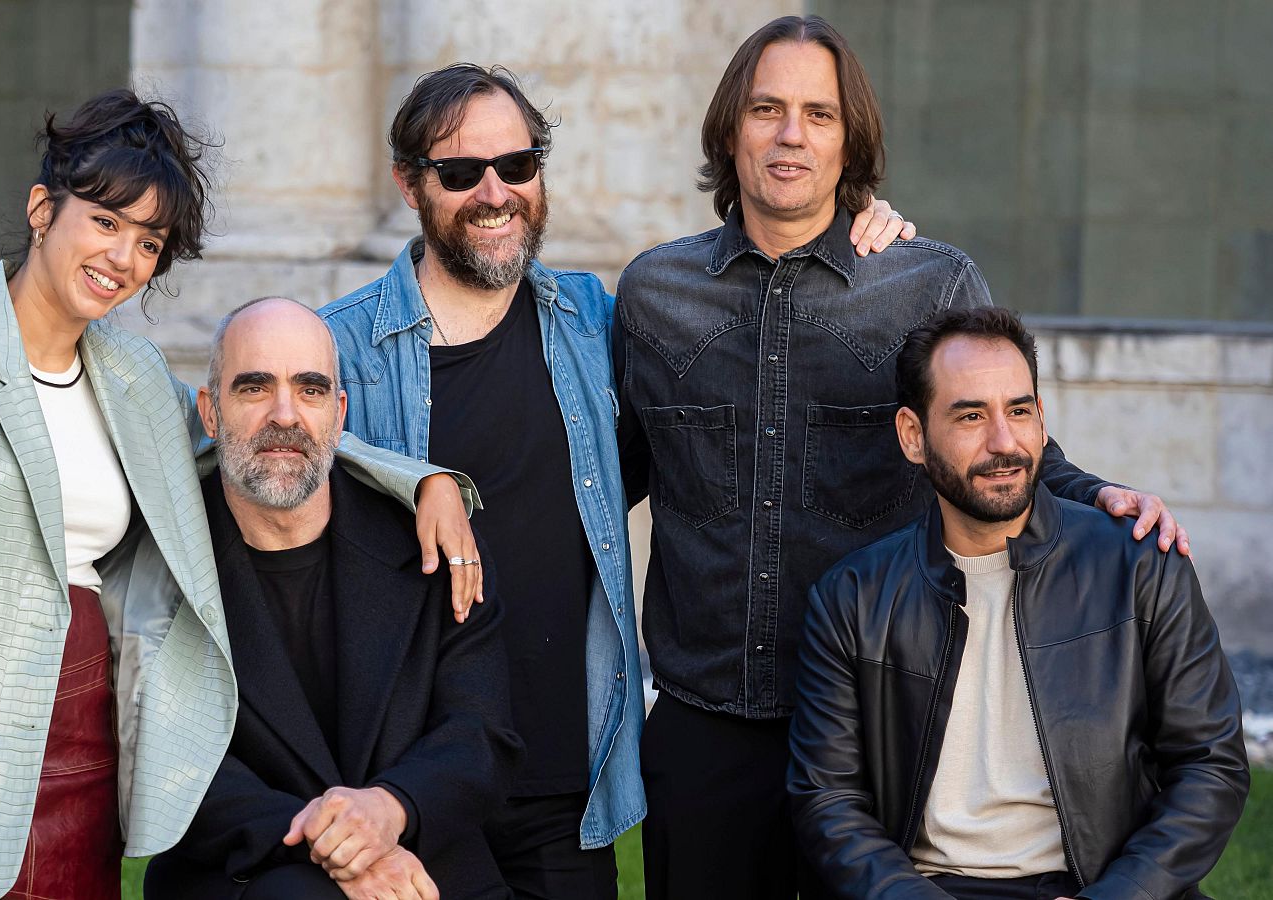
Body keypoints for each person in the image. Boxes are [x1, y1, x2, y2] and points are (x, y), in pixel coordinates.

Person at [0, 90, 478, 900]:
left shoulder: (133, 379)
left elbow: (261, 432)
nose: (122, 257)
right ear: (40, 209)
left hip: (86, 743)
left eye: (149, 241)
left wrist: (423, 480)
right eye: (104, 221)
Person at [612, 16, 1191, 900]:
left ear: (853, 141)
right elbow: (609, 475)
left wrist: (1108, 496)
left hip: (888, 723)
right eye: (767, 109)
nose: (791, 134)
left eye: (819, 113)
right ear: (731, 129)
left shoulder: (928, 284)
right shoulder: (654, 292)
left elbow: (1000, 439)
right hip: (708, 722)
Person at [320, 62, 911, 899]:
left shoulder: (603, 321)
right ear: (410, 187)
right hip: (410, 772)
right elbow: (255, 462)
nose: (495, 193)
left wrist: (852, 223)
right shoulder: (336, 348)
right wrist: (416, 478)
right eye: (460, 173)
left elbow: (748, 360)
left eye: (517, 166)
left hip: (567, 776)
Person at [789, 307, 1249, 899]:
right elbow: (828, 799)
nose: (1004, 443)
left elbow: (1211, 766)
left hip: (1105, 884)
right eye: (971, 415)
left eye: (1019, 410)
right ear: (913, 436)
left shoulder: (1140, 566)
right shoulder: (854, 599)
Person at [145, 297, 522, 900]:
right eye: (254, 388)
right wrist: (342, 850)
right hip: (250, 871)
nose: (285, 415)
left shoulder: (433, 543)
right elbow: (165, 757)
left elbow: (481, 734)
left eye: (311, 389)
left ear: (339, 413)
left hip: (424, 870)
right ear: (210, 413)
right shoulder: (158, 562)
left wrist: (390, 808)